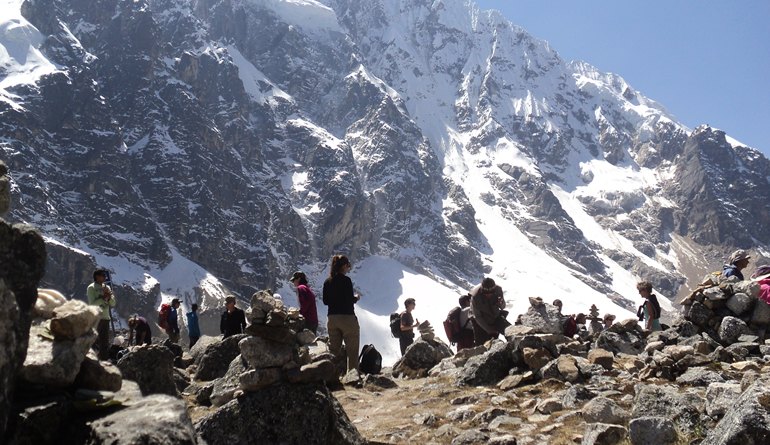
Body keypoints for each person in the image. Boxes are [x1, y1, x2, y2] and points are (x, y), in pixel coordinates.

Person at [322, 254, 361, 373]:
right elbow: (349, 300)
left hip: (332, 318)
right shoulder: (346, 280)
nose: (348, 269)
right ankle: (352, 377)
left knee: (333, 349)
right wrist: (356, 298)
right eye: (348, 266)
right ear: (344, 266)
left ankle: (327, 375)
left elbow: (325, 301)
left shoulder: (327, 281)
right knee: (352, 350)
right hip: (347, 318)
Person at [469, 277, 510, 346]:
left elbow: (502, 307)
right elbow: (477, 316)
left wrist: (501, 303)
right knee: (482, 345)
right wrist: (488, 329)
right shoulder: (475, 297)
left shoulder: (498, 290)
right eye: (486, 293)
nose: (489, 294)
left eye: (491, 292)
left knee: (509, 330)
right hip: (479, 322)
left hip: (495, 316)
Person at [87, 268, 116, 360]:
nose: (105, 277)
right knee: (93, 340)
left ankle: (104, 361)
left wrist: (109, 296)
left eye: (105, 275)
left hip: (105, 318)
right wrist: (103, 298)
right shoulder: (91, 288)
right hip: (96, 318)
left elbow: (112, 303)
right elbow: (91, 303)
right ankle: (89, 359)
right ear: (97, 276)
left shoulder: (106, 287)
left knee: (104, 342)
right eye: (103, 275)